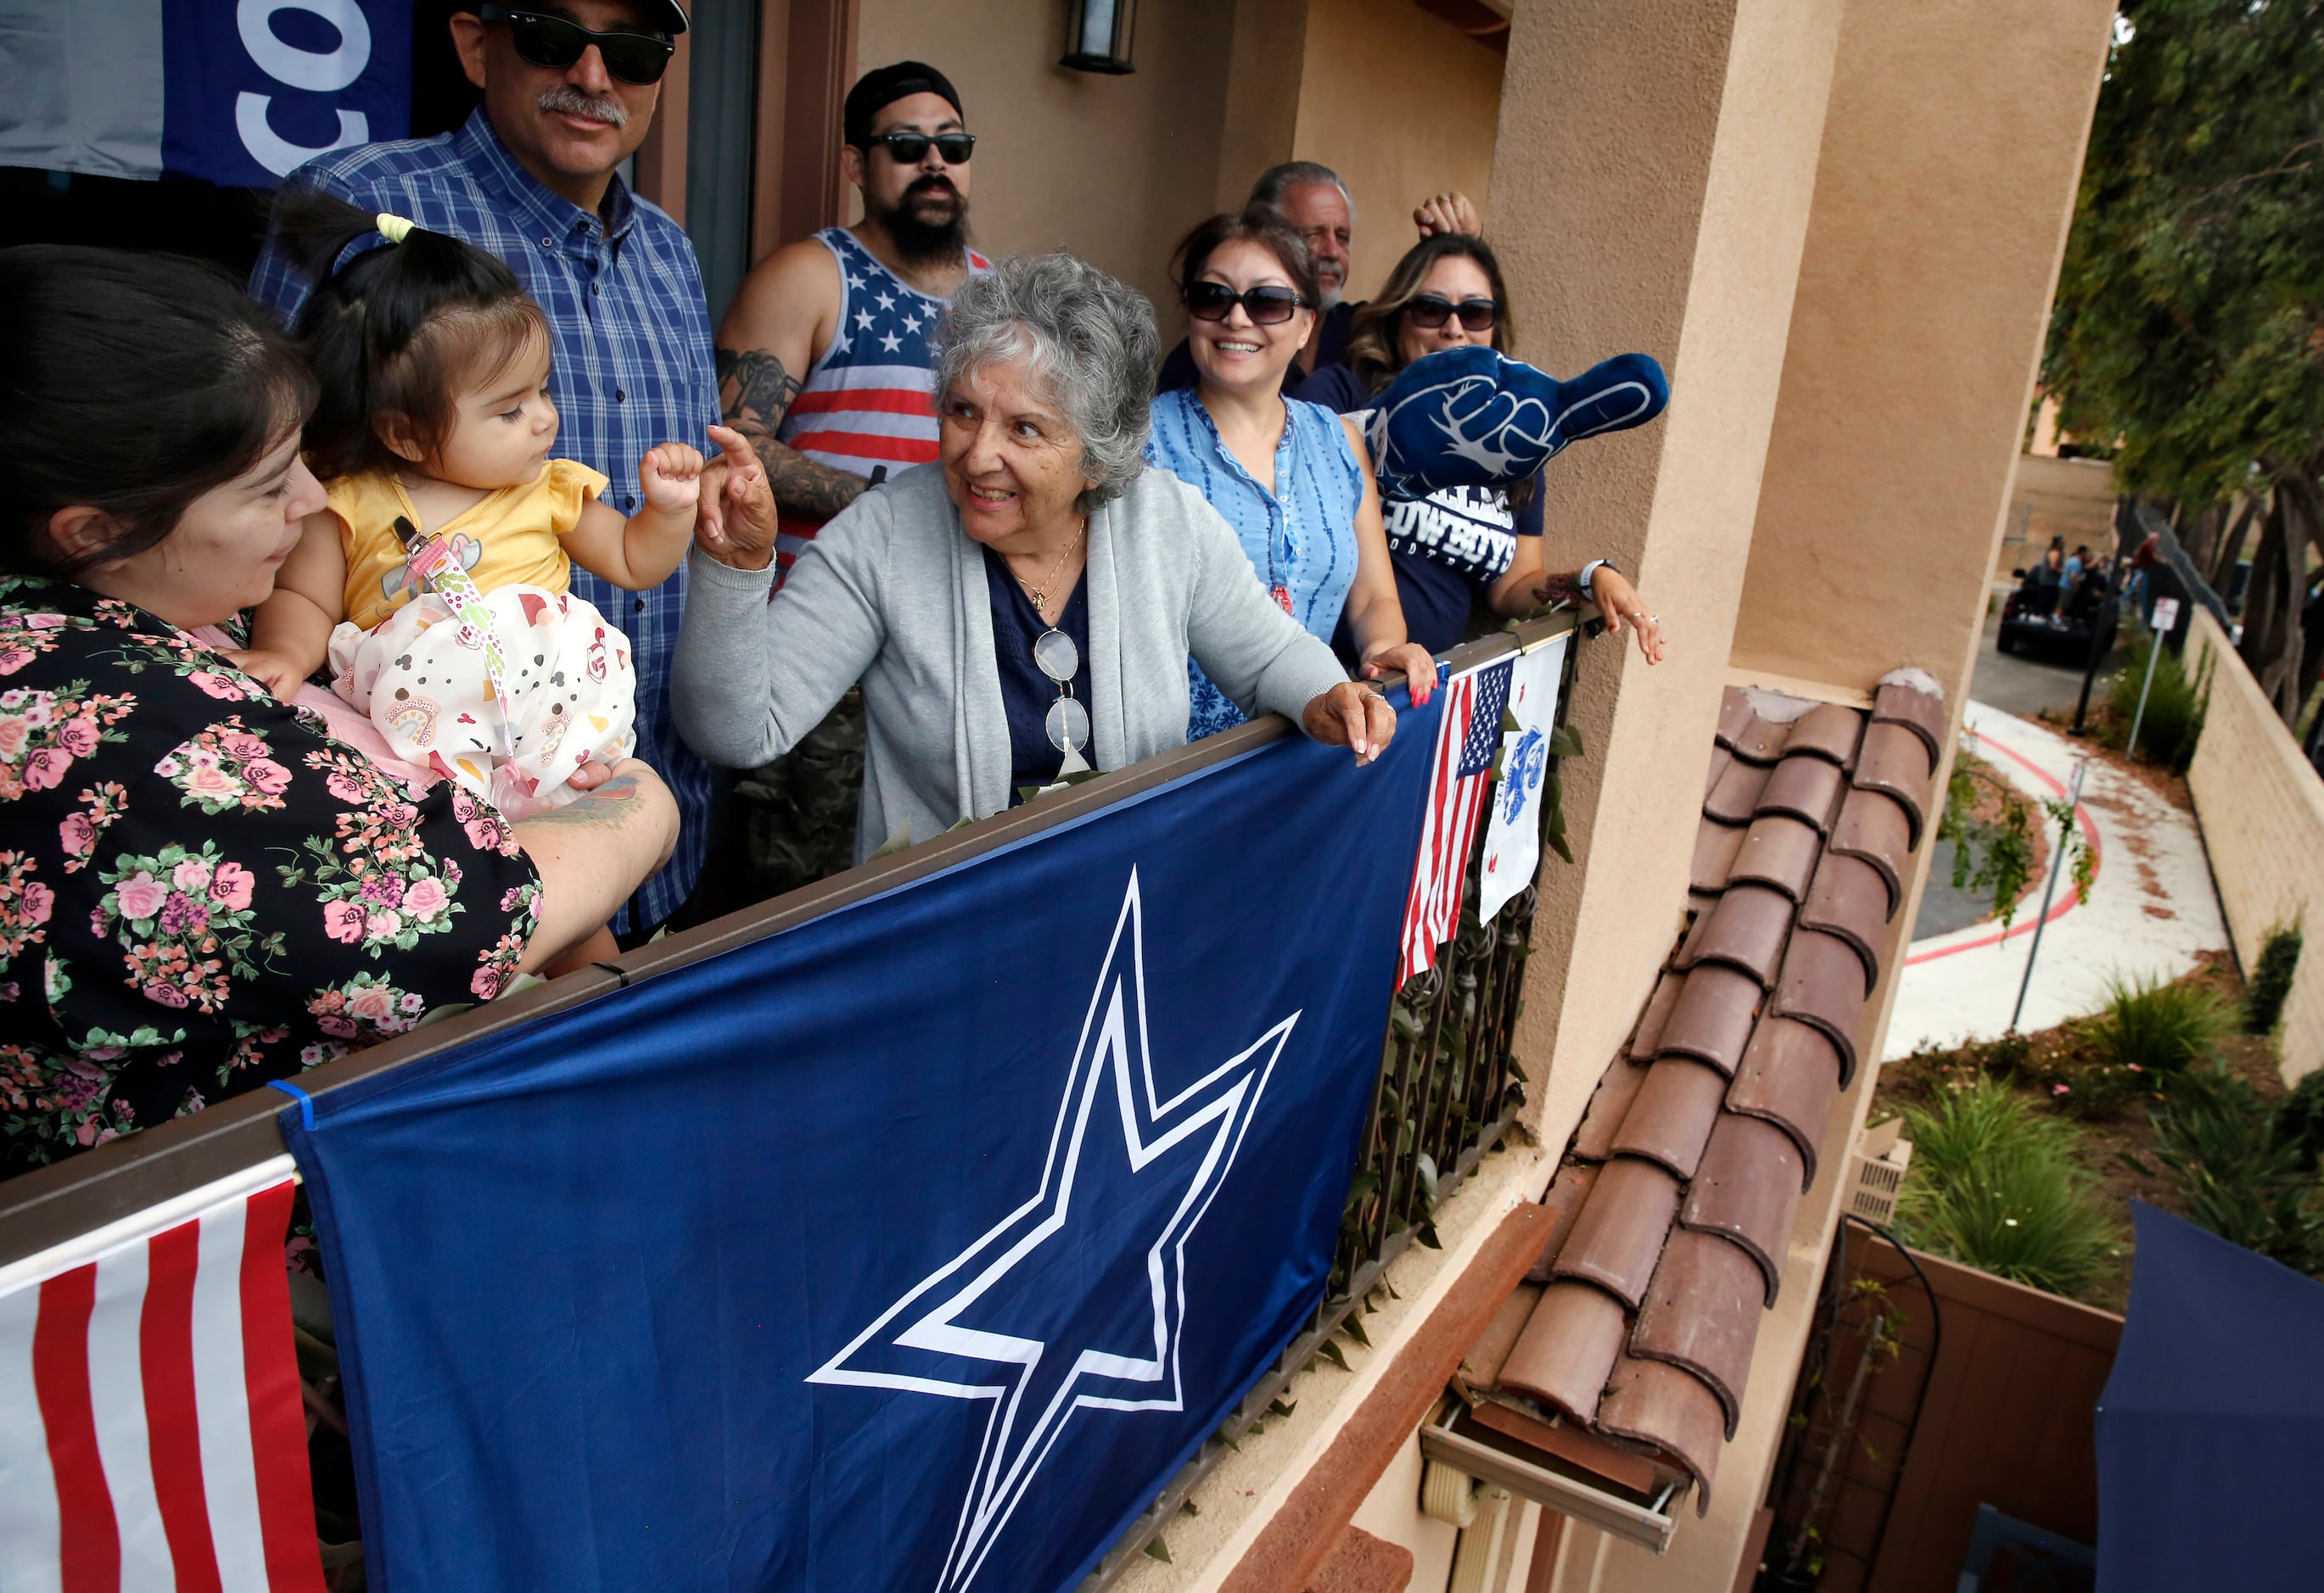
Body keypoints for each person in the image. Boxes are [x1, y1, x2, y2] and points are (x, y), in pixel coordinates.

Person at [0, 247, 678, 1176]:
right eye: (267, 483)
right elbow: (458, 929)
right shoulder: (129, 737)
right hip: (269, 1246)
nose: (316, 501)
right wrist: (640, 802)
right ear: (95, 530)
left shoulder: (127, 618)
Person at [673, 254, 1399, 860]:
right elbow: (738, 730)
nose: (977, 454)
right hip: (946, 937)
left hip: (1123, 912)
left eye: (1024, 429)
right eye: (961, 411)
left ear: (1098, 454)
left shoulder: (1166, 518)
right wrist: (735, 570)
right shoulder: (887, 532)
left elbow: (1267, 658)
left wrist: (1325, 696)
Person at [248, 0, 714, 943]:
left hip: (610, 784)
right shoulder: (362, 210)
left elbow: (632, 553)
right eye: (552, 37)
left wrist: (674, 508)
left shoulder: (670, 250)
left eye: (630, 51)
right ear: (472, 42)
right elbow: (257, 483)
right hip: (413, 831)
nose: (593, 76)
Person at [234, 192, 727, 830]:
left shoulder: (545, 488)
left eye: (543, 389)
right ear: (405, 433)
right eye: (509, 409)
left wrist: (668, 512)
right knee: (488, 891)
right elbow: (304, 599)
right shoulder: (346, 503)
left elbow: (634, 561)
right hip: (419, 752)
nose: (544, 417)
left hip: (554, 738)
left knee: (570, 899)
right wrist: (282, 653)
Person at [1302, 233, 1666, 660]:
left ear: (1495, 327)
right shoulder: (1343, 392)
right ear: (1398, 315)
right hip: (1323, 673)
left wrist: (1589, 581)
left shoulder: (1517, 439)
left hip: (1426, 687)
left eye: (1474, 312)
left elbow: (1514, 587)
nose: (1453, 328)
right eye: (1431, 308)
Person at [1145, 210, 1435, 740]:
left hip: (1310, 744)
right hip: (1174, 765)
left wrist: (1381, 652)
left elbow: (1374, 598)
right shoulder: (1139, 441)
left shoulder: (1340, 440)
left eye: (1267, 302)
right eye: (1214, 296)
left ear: (1306, 325)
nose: (1236, 319)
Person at [714, 60, 992, 582]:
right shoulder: (807, 275)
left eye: (953, 147)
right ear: (857, 164)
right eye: (908, 145)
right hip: (820, 602)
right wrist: (885, 502)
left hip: (948, 608)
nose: (935, 162)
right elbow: (731, 444)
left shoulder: (1000, 296)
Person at [1156, 163, 1479, 399]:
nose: (1332, 251)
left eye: (1342, 236)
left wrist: (1464, 246)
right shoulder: (1214, 350)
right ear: (1263, 238)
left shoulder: (1365, 329)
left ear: (1307, 325)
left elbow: (1447, 329)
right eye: (1311, 235)